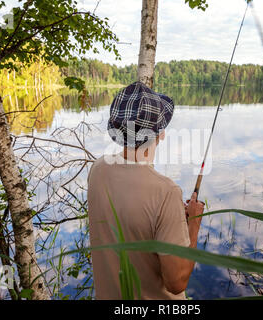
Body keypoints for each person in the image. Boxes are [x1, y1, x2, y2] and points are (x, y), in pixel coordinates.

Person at [87, 81, 205, 299]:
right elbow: (176, 283)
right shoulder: (166, 192)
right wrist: (193, 224)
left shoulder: (98, 169)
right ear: (159, 135)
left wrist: (169, 217)